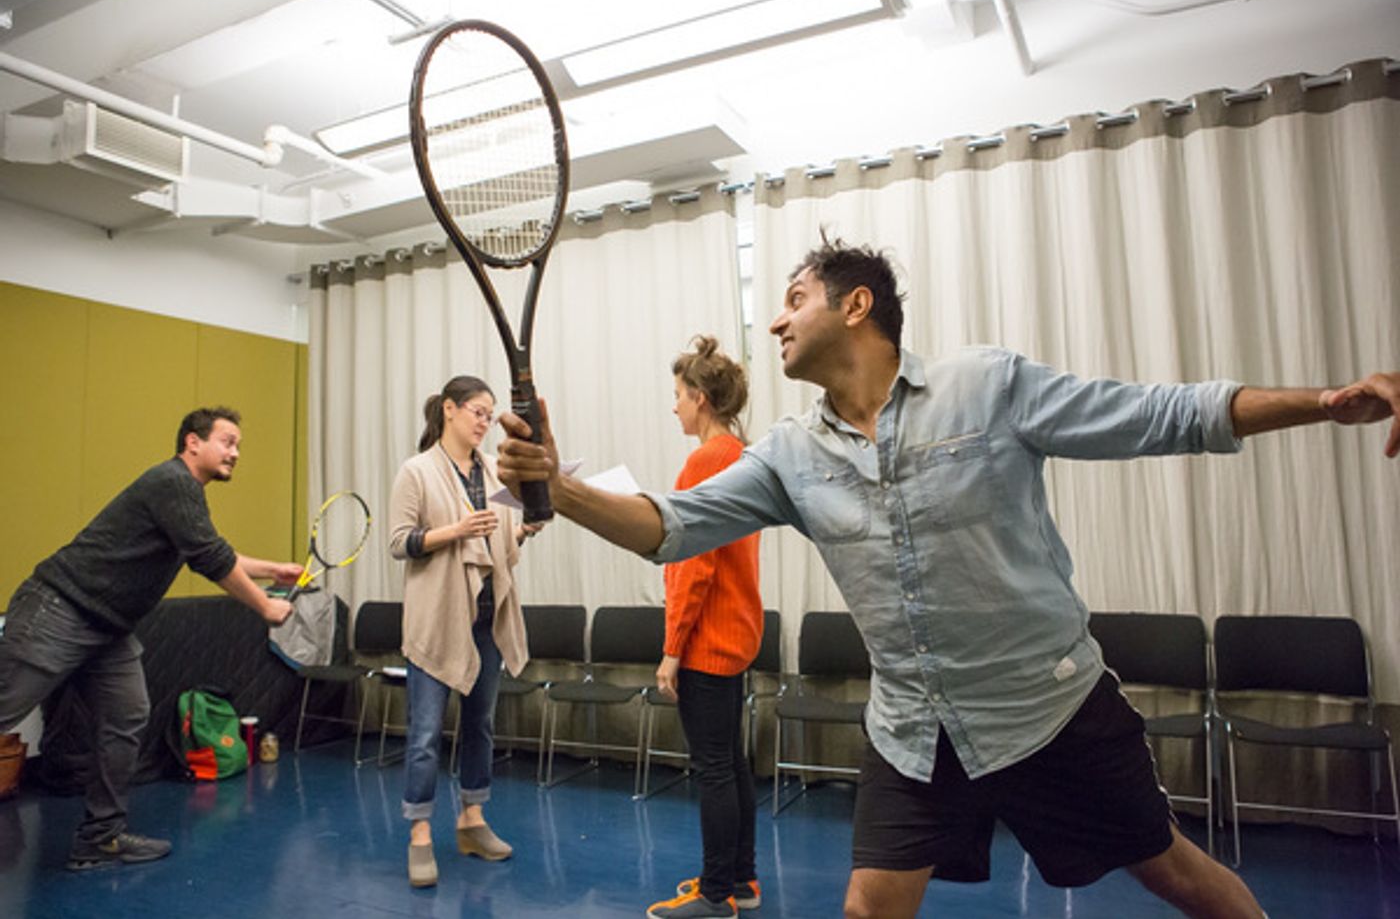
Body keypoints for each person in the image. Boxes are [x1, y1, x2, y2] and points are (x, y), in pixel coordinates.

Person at [496, 234, 1400, 919]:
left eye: (794, 298)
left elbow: (1160, 415)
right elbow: (669, 525)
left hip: (1048, 708)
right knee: (867, 903)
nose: (775, 319)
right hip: (915, 729)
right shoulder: (789, 456)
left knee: (1169, 867)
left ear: (857, 307)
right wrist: (559, 487)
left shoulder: (986, 386)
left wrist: (1323, 404)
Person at [0, 406, 299, 871]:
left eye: (239, 445)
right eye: (227, 441)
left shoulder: (184, 496)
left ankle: (100, 837)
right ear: (192, 443)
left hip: (108, 628)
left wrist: (271, 569)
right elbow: (209, 556)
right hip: (58, 609)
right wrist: (265, 606)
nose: (235, 453)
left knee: (127, 715)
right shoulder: (173, 482)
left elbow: (207, 546)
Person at [387, 375, 542, 889]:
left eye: (489, 414)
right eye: (477, 411)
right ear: (449, 410)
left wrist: (522, 528)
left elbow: (498, 546)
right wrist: (454, 531)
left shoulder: (494, 474)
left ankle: (472, 821)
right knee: (427, 734)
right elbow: (398, 542)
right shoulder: (417, 472)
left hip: (484, 620)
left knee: (480, 725)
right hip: (436, 620)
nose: (484, 422)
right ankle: (420, 835)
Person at [646, 337, 763, 919]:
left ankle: (717, 897)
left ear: (699, 397)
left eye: (677, 396)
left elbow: (695, 564)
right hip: (736, 634)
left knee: (713, 767)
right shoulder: (741, 455)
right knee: (732, 760)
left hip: (708, 640)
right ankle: (741, 880)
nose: (673, 407)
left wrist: (671, 651)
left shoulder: (705, 460)